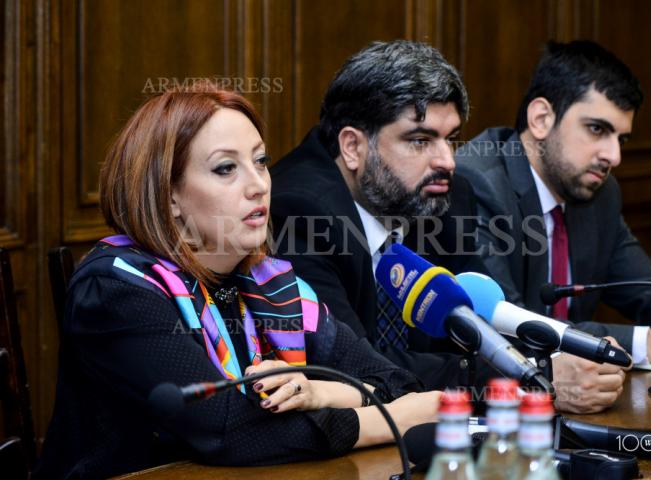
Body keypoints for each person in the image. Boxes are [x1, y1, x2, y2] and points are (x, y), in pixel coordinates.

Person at [34, 84, 440, 479]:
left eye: (260, 161)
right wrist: (389, 421)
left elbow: (395, 380)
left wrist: (321, 393)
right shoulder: (116, 288)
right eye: (226, 168)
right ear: (169, 194)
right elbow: (231, 432)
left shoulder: (268, 282)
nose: (258, 184)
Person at [269, 40, 616, 414]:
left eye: (450, 139)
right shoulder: (301, 211)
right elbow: (358, 369)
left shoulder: (441, 194)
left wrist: (570, 357)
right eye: (420, 140)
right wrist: (526, 379)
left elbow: (484, 323)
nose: (447, 161)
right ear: (353, 147)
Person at [456, 40, 651, 405]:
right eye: (597, 130)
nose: (614, 156)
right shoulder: (475, 184)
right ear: (541, 118)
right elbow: (509, 328)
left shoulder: (599, 193)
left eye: (621, 138)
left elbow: (649, 291)